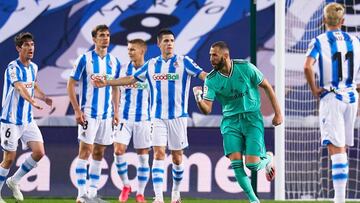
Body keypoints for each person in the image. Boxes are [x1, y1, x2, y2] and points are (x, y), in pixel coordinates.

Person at [93, 28, 207, 203]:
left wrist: (224, 79)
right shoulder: (152, 65)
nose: (169, 43)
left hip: (178, 117)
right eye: (166, 41)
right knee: (159, 154)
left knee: (177, 157)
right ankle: (159, 197)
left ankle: (176, 194)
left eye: (172, 40)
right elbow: (131, 79)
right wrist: (107, 82)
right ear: (159, 44)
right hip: (157, 117)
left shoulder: (184, 62)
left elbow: (204, 75)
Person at [192, 41, 282, 203]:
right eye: (210, 55)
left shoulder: (245, 68)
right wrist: (199, 98)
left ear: (225, 56)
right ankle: (254, 200)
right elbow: (207, 109)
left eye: (214, 55)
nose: (211, 59)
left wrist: (278, 114)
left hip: (252, 118)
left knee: (252, 166)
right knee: (236, 164)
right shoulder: (211, 80)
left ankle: (268, 158)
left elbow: (267, 86)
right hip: (230, 122)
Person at [304, 3, 360, 203]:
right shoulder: (355, 40)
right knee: (342, 147)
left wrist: (314, 90)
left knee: (335, 149)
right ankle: (340, 199)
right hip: (352, 97)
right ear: (343, 21)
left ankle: (339, 200)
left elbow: (308, 67)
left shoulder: (319, 40)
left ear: (323, 20)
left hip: (332, 97)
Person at [67, 24, 121, 203]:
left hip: (106, 115)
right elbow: (71, 83)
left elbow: (115, 88)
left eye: (107, 35)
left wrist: (116, 111)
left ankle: (91, 192)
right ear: (94, 39)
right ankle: (81, 194)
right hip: (88, 113)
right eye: (101, 35)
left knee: (99, 152)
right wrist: (76, 110)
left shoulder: (114, 62)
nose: (105, 38)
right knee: (85, 151)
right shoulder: (85, 59)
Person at [0, 32, 52, 203]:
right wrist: (32, 101)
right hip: (11, 120)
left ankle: (14, 181)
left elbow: (33, 84)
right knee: (9, 158)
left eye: (32, 44)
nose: (31, 48)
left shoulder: (34, 67)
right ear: (18, 48)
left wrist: (43, 97)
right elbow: (21, 88)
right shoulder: (12, 68)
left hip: (27, 120)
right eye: (26, 45)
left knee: (39, 152)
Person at [114, 39, 151, 203]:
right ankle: (126, 185)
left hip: (144, 119)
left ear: (142, 51)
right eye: (128, 49)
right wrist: (115, 111)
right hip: (124, 118)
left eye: (133, 50)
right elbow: (115, 88)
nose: (129, 52)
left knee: (143, 157)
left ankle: (140, 193)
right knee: (118, 151)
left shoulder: (151, 70)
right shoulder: (123, 70)